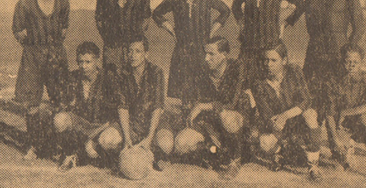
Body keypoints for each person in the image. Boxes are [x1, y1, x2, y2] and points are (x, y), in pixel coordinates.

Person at [12, 0, 70, 160]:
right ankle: (35, 146)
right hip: (32, 56)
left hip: (56, 55)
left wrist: (52, 49)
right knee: (32, 103)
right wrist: (33, 47)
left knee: (60, 101)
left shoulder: (63, 2)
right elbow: (18, 31)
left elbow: (63, 30)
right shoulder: (25, 2)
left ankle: (58, 146)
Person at [152, 0, 230, 105]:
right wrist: (171, 29)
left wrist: (212, 30)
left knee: (203, 85)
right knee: (184, 88)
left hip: (202, 49)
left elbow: (225, 11)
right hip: (183, 49)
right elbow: (157, 13)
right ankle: (186, 116)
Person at [303, 0, 364, 124]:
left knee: (337, 96)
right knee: (311, 93)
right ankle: (312, 137)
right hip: (315, 53)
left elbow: (359, 27)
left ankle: (338, 138)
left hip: (338, 54)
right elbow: (310, 27)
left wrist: (349, 51)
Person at [250, 41, 322, 181]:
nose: (268, 64)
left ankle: (313, 165)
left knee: (311, 114)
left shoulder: (294, 71)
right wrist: (276, 124)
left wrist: (285, 115)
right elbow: (266, 113)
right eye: (265, 60)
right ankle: (280, 152)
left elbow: (306, 100)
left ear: (284, 60)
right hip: (277, 122)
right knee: (265, 142)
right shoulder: (258, 82)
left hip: (295, 119)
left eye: (273, 60)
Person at [231, 0, 305, 88]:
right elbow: (235, 7)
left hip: (271, 42)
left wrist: (286, 22)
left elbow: (300, 4)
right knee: (247, 79)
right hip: (249, 43)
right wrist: (241, 23)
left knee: (271, 80)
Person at [181, 36, 250, 179]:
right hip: (212, 125)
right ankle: (215, 151)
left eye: (211, 54)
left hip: (235, 124)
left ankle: (235, 160)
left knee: (226, 116)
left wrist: (203, 106)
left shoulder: (237, 68)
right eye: (205, 53)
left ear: (224, 54)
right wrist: (209, 129)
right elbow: (194, 106)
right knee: (181, 143)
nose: (206, 58)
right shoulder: (202, 73)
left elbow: (232, 103)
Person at [93, 36, 165, 171]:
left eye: (138, 51)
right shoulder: (122, 74)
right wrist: (126, 138)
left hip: (152, 123)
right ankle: (125, 153)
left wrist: (149, 138)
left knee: (166, 144)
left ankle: (153, 154)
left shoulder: (156, 72)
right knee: (105, 140)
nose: (132, 55)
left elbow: (157, 107)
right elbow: (123, 107)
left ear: (146, 54)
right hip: (131, 124)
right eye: (130, 51)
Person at [324, 44, 366, 182]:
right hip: (343, 125)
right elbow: (329, 114)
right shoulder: (334, 82)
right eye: (348, 61)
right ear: (342, 62)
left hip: (359, 123)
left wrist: (347, 112)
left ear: (361, 62)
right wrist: (335, 139)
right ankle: (346, 151)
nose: (351, 65)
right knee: (339, 169)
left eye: (355, 62)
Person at [54, 42, 119, 171]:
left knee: (109, 140)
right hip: (82, 126)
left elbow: (114, 117)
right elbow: (67, 110)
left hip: (102, 127)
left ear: (97, 60)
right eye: (80, 62)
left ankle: (95, 154)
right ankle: (71, 153)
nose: (83, 66)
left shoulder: (108, 79)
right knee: (59, 120)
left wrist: (92, 140)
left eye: (88, 62)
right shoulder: (73, 77)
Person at [95, 0, 151, 72]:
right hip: (112, 47)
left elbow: (146, 18)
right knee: (111, 79)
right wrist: (108, 37)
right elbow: (99, 19)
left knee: (133, 80)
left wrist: (137, 38)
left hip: (133, 47)